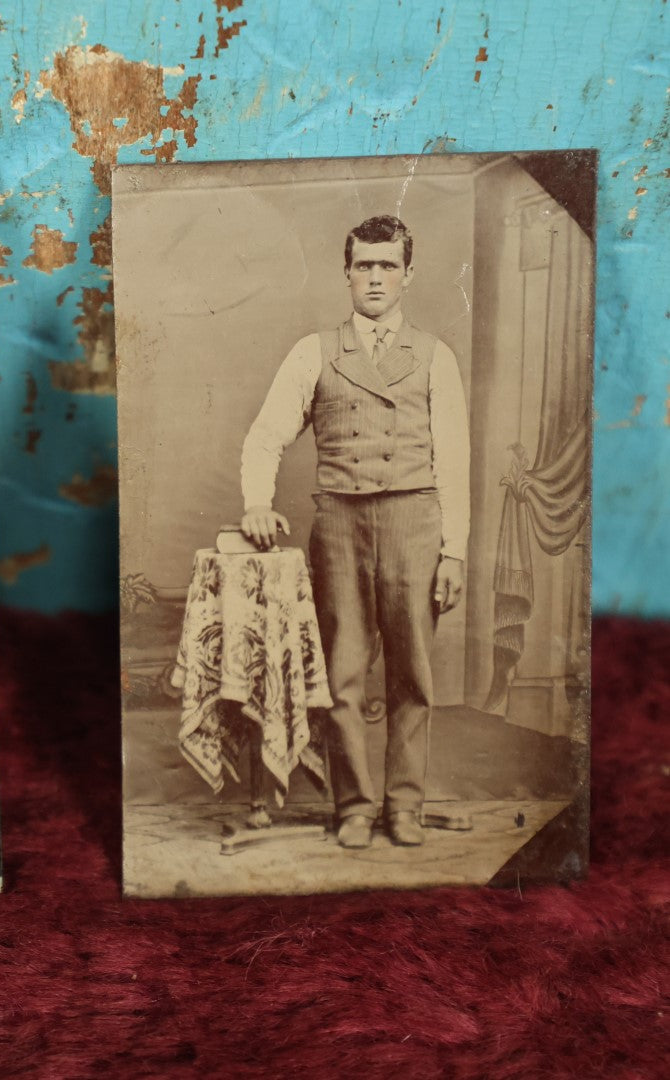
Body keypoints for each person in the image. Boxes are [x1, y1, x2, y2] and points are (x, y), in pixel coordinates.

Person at [239, 215, 469, 849]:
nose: (375, 277)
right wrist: (257, 502)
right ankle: (356, 808)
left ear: (408, 274)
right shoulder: (313, 351)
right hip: (339, 524)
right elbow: (265, 437)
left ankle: (405, 807)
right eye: (364, 265)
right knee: (342, 672)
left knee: (413, 674)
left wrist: (454, 551)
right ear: (346, 273)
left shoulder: (434, 356)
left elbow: (453, 461)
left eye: (387, 265)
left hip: (416, 523)